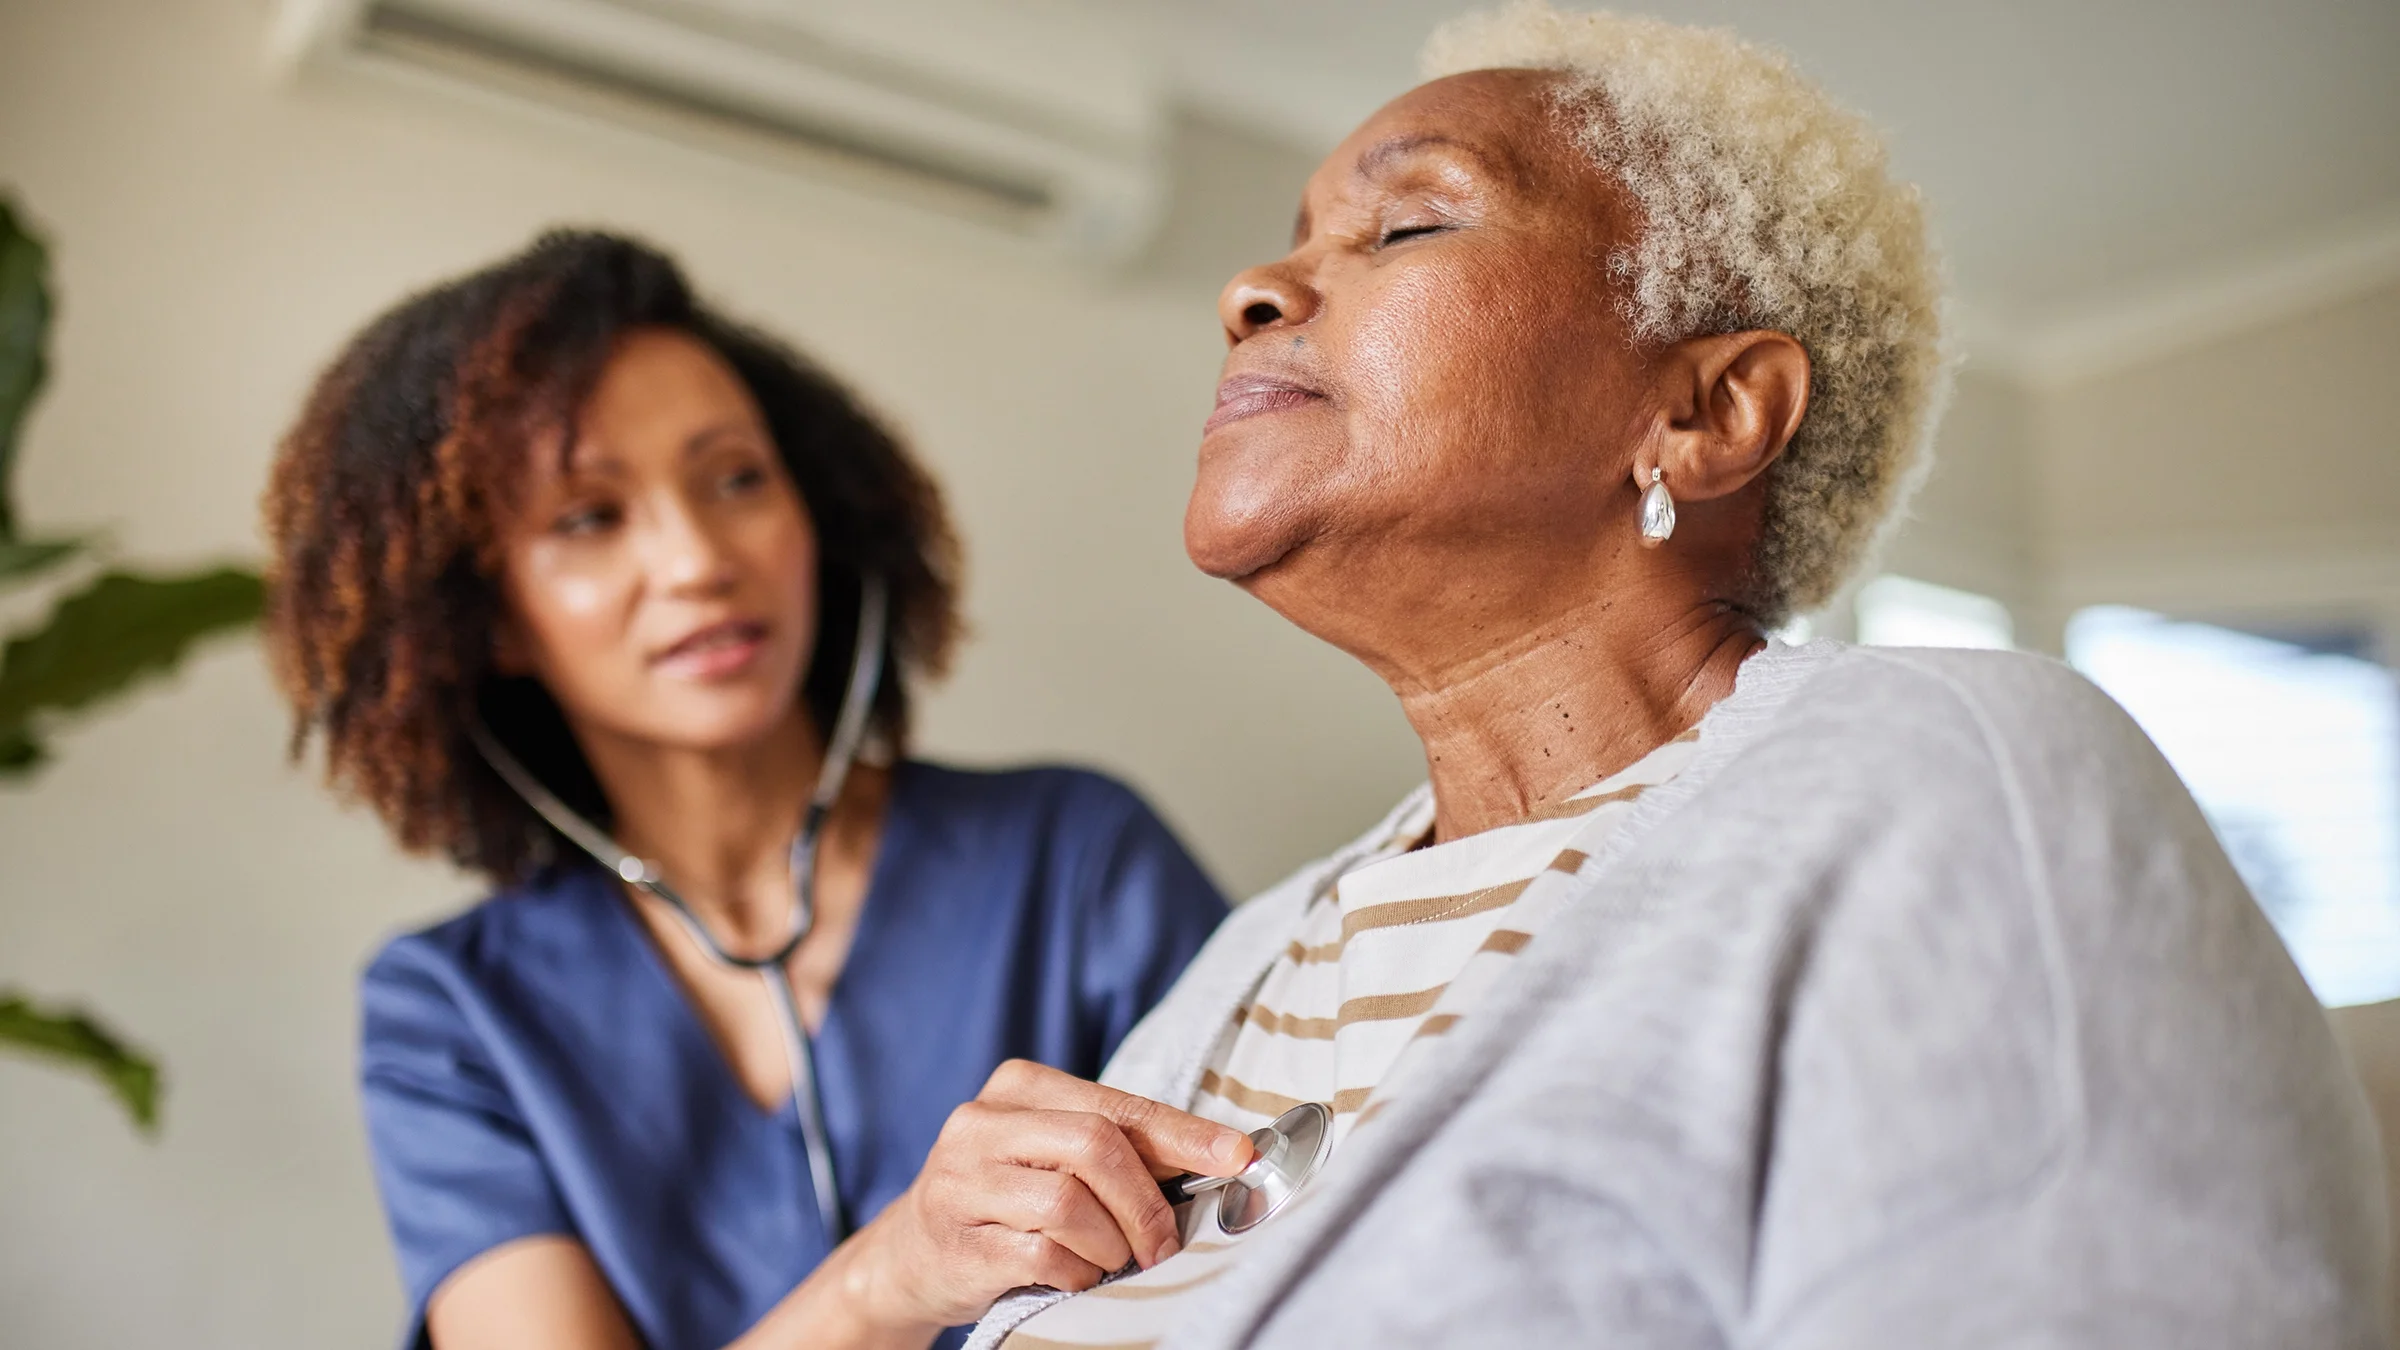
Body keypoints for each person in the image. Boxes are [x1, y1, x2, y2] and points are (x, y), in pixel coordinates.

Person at [896, 3, 2382, 1346]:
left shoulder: (1952, 775)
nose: (1252, 285)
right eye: (1293, 235)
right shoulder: (1253, 959)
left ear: (1711, 410)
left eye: (1407, 225)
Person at [259, 231, 1233, 1350]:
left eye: (736, 480)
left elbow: (1276, 1258)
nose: (697, 559)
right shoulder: (452, 1013)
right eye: (590, 516)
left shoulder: (1077, 860)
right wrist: (893, 1275)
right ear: (489, 621)